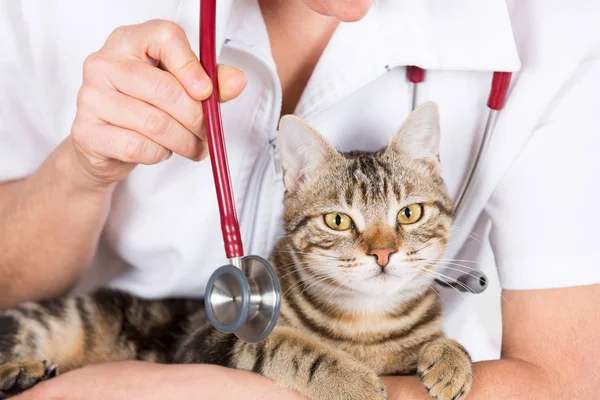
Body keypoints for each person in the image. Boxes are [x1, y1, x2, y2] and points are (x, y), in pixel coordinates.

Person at [0, 0, 598, 398]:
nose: (383, 250)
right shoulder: (55, 13)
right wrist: (83, 169)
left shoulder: (559, 27)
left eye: (407, 216)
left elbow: (565, 380)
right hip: (111, 339)